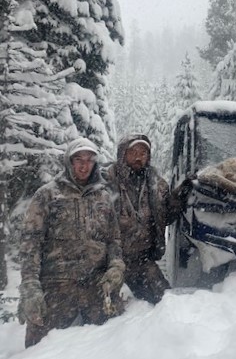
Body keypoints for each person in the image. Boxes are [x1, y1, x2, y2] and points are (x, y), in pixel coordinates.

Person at [18, 138, 125, 348]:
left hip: (95, 282)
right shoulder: (47, 194)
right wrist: (30, 286)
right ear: (69, 161)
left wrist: (116, 266)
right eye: (78, 159)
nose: (84, 165)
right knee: (39, 349)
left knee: (115, 341)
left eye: (89, 160)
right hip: (57, 283)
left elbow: (114, 240)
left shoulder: (103, 197)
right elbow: (30, 243)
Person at [104, 134, 183, 304]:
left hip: (141, 261)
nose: (139, 157)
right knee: (107, 310)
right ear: (122, 154)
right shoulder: (105, 182)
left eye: (143, 153)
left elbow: (165, 218)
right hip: (109, 262)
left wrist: (177, 201)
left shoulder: (157, 185)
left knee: (166, 302)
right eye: (133, 152)